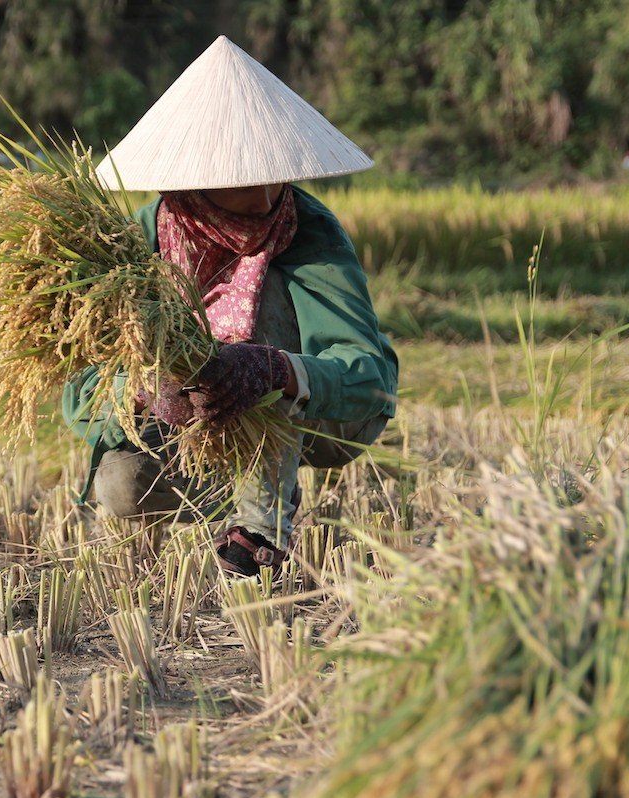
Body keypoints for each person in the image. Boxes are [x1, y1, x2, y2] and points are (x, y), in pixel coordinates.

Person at [62, 36, 398, 576]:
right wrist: (144, 391)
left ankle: (262, 524)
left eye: (273, 173)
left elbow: (370, 377)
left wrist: (276, 368)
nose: (265, 197)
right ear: (195, 184)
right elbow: (79, 393)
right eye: (242, 180)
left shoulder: (308, 233)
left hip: (323, 422)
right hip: (201, 429)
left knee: (261, 309)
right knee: (121, 485)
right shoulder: (138, 244)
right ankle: (236, 482)